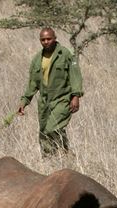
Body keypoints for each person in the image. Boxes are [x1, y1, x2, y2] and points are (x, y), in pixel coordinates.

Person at [17, 28, 84, 156]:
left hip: (62, 99)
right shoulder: (37, 59)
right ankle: (51, 159)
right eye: (43, 40)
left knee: (52, 127)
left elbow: (75, 76)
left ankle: (64, 153)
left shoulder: (66, 54)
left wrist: (76, 96)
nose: (46, 42)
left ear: (55, 38)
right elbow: (32, 84)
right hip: (44, 102)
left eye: (49, 39)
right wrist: (24, 101)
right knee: (43, 132)